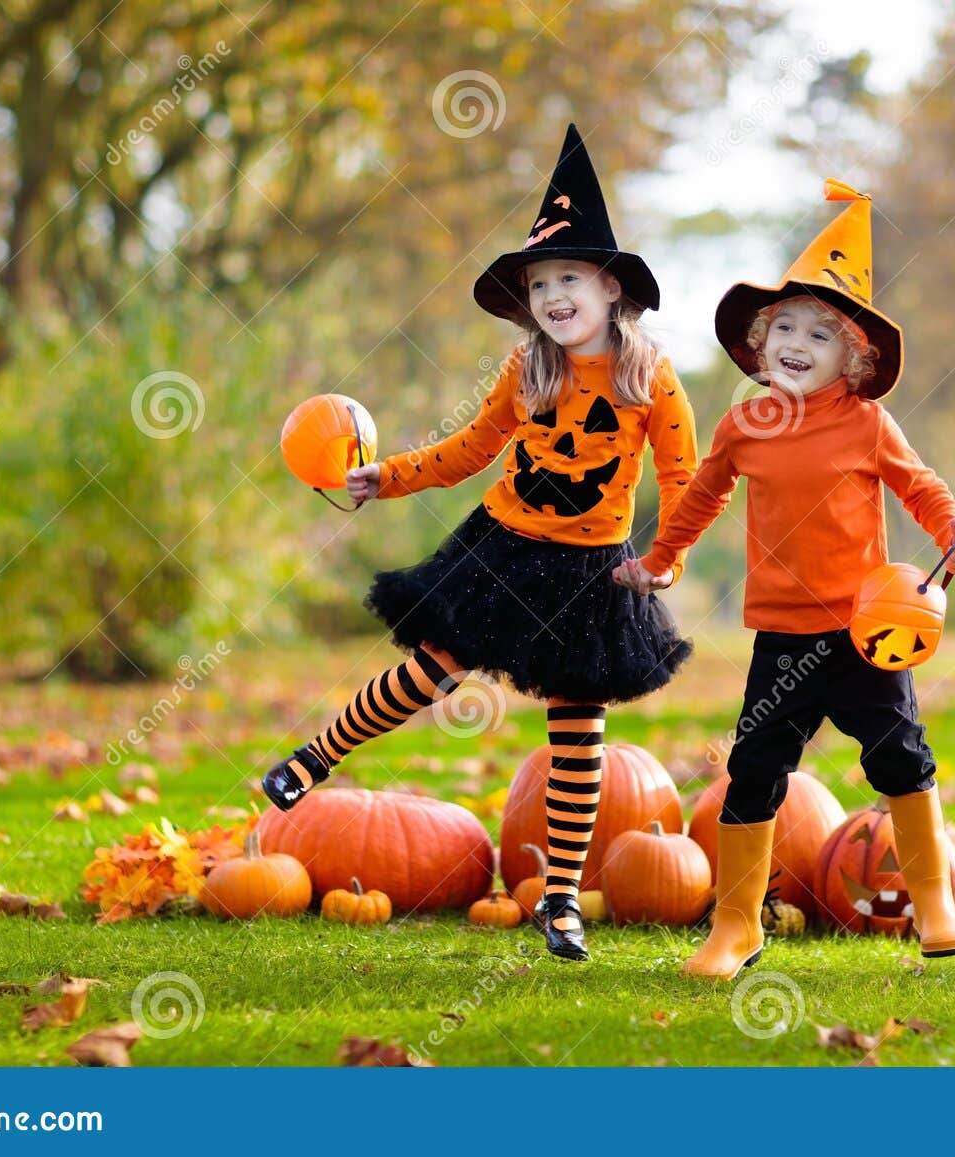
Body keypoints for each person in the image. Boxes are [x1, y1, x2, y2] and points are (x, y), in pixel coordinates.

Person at [262, 124, 698, 962]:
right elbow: (468, 450)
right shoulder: (525, 370)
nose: (554, 296)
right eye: (540, 284)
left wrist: (666, 557)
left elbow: (685, 475)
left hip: (595, 571)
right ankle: (316, 757)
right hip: (501, 547)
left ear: (611, 289)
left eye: (569, 278)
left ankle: (561, 899)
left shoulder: (651, 378)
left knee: (579, 732)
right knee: (429, 669)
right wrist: (384, 476)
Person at [614, 180, 955, 978]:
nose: (798, 343)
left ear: (855, 356)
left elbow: (919, 483)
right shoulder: (745, 424)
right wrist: (660, 559)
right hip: (783, 634)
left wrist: (952, 528)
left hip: (865, 630)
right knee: (754, 767)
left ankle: (935, 902)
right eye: (784, 327)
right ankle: (738, 925)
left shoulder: (867, 422)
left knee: (899, 756)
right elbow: (701, 495)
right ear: (759, 338)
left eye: (821, 332)